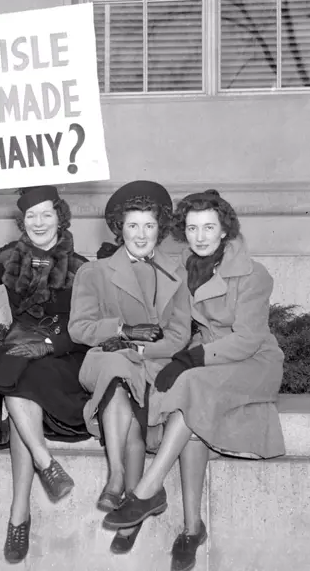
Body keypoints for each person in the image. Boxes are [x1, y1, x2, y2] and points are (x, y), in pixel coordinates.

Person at [103, 189, 285, 571]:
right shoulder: (184, 265)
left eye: (209, 228)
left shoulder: (254, 274)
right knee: (189, 412)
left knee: (190, 386)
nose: (200, 236)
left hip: (251, 362)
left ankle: (147, 491)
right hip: (205, 360)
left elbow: (248, 339)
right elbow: (144, 266)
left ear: (224, 231)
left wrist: (190, 358)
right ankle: (191, 527)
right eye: (192, 228)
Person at [0, 185, 91, 564]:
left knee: (18, 384)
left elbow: (85, 325)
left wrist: (50, 345)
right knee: (11, 369)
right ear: (22, 221)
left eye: (46, 214)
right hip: (17, 348)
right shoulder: (8, 259)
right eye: (31, 216)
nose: (39, 222)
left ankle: (19, 517)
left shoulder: (81, 266)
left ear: (60, 218)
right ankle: (46, 466)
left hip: (61, 354)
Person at [68, 181, 191, 555]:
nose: (141, 234)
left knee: (132, 408)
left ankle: (126, 500)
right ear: (120, 228)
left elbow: (180, 334)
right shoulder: (95, 272)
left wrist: (140, 349)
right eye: (133, 226)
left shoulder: (176, 272)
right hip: (106, 360)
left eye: (149, 226)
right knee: (117, 369)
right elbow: (80, 329)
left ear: (160, 230)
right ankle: (118, 475)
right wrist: (120, 330)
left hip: (154, 363)